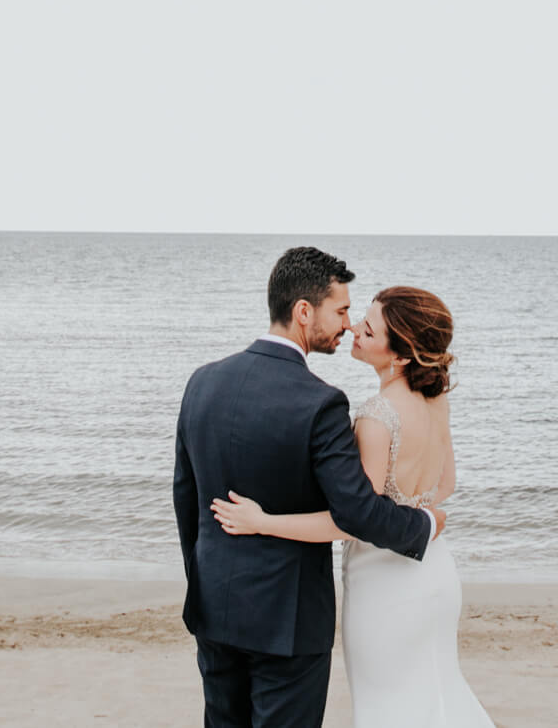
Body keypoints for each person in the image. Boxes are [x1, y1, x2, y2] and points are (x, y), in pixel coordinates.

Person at [174, 247, 447, 728]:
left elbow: (186, 499)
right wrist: (423, 524)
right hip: (289, 624)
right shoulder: (320, 403)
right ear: (304, 311)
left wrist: (204, 582)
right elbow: (357, 511)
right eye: (341, 311)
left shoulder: (202, 383)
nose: (347, 325)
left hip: (214, 608)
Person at [211, 285, 494, 728]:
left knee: (386, 706)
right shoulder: (437, 399)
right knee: (437, 691)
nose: (354, 329)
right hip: (435, 574)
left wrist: (262, 521)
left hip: (384, 586)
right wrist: (421, 516)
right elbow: (445, 485)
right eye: (360, 318)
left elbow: (351, 521)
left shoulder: (376, 416)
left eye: (369, 328)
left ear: (400, 356)